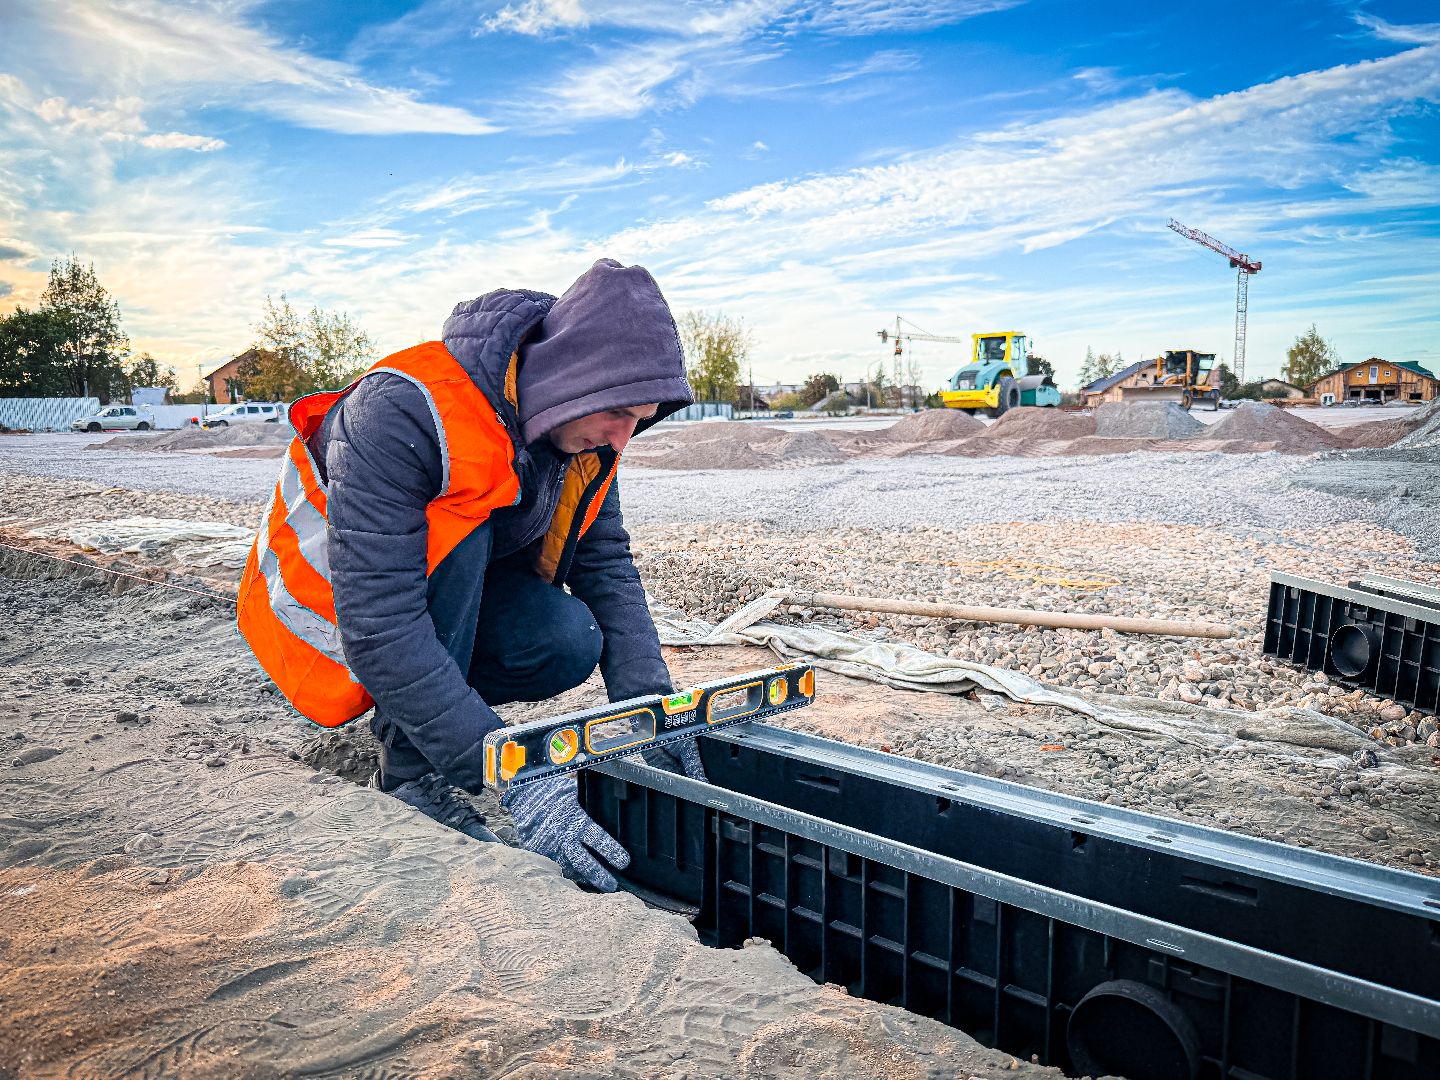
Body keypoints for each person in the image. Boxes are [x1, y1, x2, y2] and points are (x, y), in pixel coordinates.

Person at [237, 258, 704, 892]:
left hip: (443, 604)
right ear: (576, 381)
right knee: (462, 524)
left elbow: (605, 563)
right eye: (618, 416)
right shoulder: (402, 409)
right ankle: (410, 772)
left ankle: (440, 712)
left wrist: (654, 705)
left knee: (567, 638)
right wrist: (510, 768)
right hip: (332, 616)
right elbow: (379, 622)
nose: (623, 440)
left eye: (639, 421)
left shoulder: (586, 433)